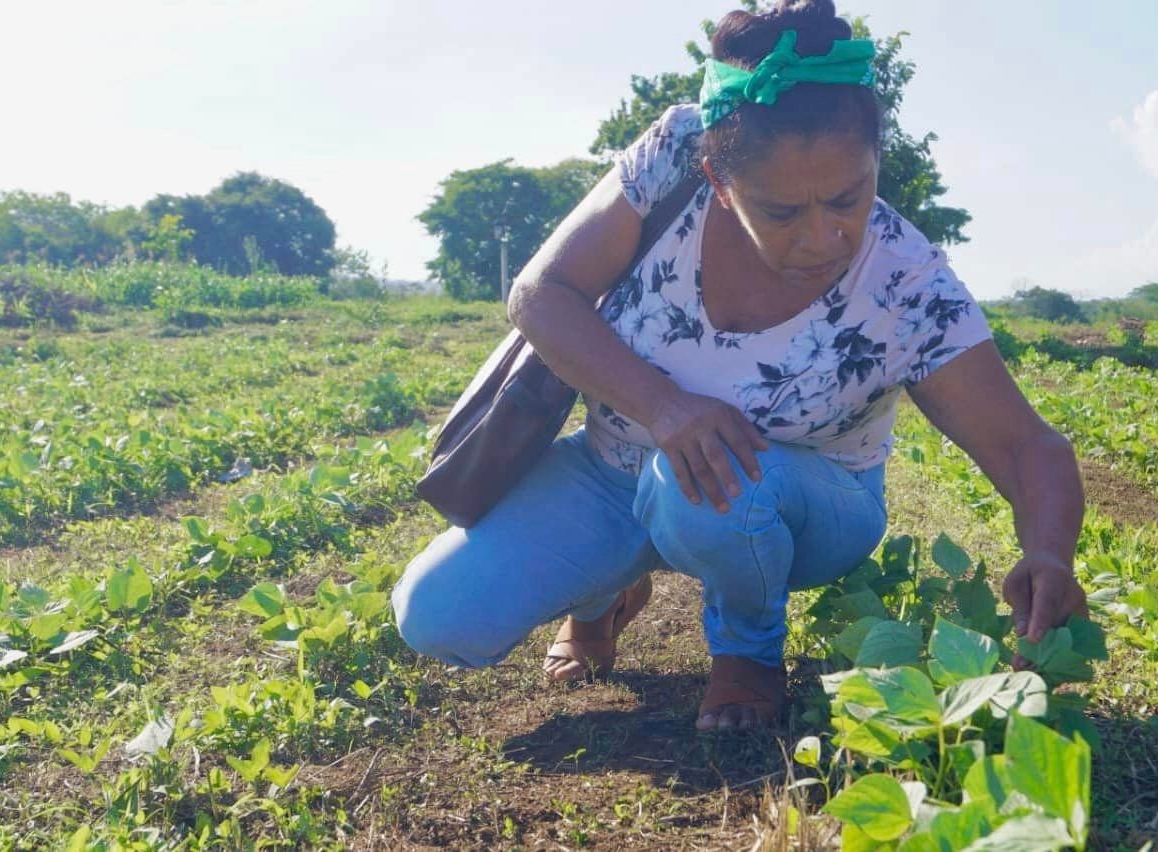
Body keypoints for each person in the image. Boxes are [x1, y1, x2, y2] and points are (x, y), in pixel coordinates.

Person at [391, 0, 1088, 732]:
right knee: (439, 615)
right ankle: (604, 596)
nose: (823, 237)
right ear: (718, 184)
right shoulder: (676, 154)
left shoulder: (907, 283)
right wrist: (664, 408)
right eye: (783, 213)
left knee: (711, 483)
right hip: (615, 469)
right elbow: (540, 295)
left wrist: (1049, 554)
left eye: (847, 198)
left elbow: (1026, 445)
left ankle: (747, 654)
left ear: (874, 162)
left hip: (806, 502)